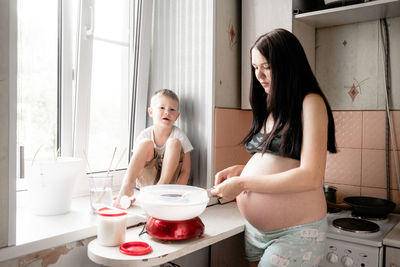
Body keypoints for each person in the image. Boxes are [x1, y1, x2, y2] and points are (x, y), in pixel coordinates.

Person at [211, 28, 337, 267]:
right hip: (256, 231)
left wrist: (243, 183)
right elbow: (279, 158)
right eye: (255, 67)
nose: (259, 75)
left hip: (296, 232)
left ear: (288, 65)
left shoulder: (311, 102)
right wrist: (241, 170)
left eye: (266, 67)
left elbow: (310, 176)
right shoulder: (271, 106)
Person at [115, 89, 193, 207]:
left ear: (177, 116)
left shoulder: (179, 136)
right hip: (148, 186)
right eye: (162, 108)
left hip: (168, 186)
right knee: (145, 143)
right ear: (151, 112)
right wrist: (129, 184)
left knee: (174, 143)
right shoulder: (145, 134)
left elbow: (185, 171)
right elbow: (136, 162)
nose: (167, 112)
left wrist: (178, 194)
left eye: (172, 110)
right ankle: (126, 187)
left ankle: (161, 187)